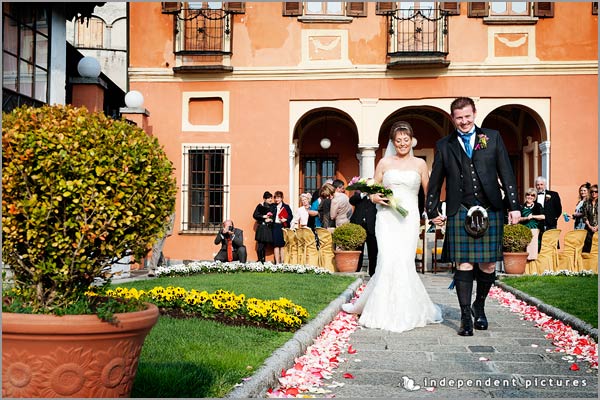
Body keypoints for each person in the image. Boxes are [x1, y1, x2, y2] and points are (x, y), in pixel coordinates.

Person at [427, 97, 521, 337]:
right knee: (465, 263)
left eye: (467, 116)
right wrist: (432, 209)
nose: (464, 121)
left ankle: (480, 305)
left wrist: (514, 206)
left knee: (488, 264)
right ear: (453, 118)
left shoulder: (492, 137)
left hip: (490, 206)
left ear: (474, 114)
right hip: (460, 208)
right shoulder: (444, 144)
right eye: (459, 118)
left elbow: (506, 173)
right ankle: (465, 315)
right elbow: (436, 180)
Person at [341, 121, 443, 333]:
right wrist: (375, 196)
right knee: (387, 260)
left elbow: (429, 192)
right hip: (386, 217)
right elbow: (372, 188)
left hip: (409, 219)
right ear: (393, 142)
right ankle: (381, 310)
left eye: (406, 140)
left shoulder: (420, 165)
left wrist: (434, 214)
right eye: (398, 140)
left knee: (404, 261)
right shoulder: (384, 163)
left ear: (411, 140)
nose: (402, 143)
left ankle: (406, 310)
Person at [349, 189, 378, 276]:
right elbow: (351, 201)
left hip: (371, 227)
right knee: (358, 251)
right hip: (359, 227)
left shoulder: (376, 198)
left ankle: (373, 273)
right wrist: (363, 194)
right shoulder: (360, 197)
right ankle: (357, 271)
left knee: (373, 252)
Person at [519, 187, 545, 259]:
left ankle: (533, 269)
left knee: (534, 251)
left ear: (535, 197)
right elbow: (518, 218)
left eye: (532, 195)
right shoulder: (521, 207)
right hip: (524, 230)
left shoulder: (538, 206)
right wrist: (526, 218)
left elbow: (543, 216)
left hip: (535, 230)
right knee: (524, 250)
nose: (530, 196)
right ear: (525, 196)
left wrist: (533, 216)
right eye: (528, 194)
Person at [148, 212, 175, 277]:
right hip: (152, 229)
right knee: (158, 249)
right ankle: (163, 265)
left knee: (156, 248)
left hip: (162, 230)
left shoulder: (167, 205)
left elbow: (172, 215)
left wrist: (169, 230)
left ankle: (152, 269)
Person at [271, 191, 293, 264]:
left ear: (281, 198)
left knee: (283, 245)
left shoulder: (286, 206)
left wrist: (285, 219)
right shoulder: (273, 206)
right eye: (276, 198)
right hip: (275, 226)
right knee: (276, 245)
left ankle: (282, 262)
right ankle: (277, 262)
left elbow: (291, 216)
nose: (277, 199)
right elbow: (269, 214)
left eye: (278, 198)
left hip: (283, 226)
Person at [252, 191, 274, 263]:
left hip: (268, 228)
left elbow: (275, 215)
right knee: (260, 245)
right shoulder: (260, 206)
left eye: (271, 198)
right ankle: (259, 260)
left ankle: (263, 260)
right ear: (264, 199)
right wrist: (263, 217)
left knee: (264, 245)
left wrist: (271, 219)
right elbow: (255, 215)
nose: (270, 199)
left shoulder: (273, 206)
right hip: (262, 227)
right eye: (268, 198)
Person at [582, 184, 599, 253]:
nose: (593, 193)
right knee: (587, 249)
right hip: (588, 229)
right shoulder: (586, 203)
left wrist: (597, 227)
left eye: (596, 191)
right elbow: (585, 216)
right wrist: (590, 227)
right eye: (592, 191)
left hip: (598, 228)